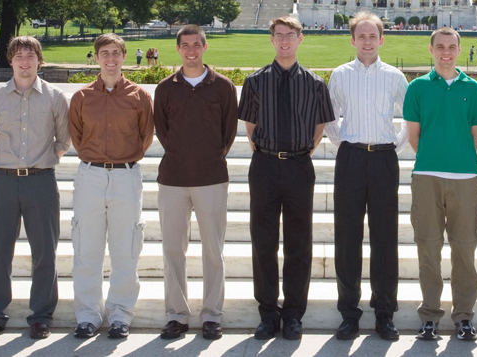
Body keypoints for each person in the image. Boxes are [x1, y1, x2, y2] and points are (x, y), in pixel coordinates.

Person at [239, 16, 334, 341]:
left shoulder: (315, 83)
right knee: (263, 242)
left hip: (297, 167)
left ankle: (293, 314)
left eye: (289, 35)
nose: (284, 41)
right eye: (278, 35)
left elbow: (319, 127)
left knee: (298, 243)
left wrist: (300, 151)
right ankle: (268, 313)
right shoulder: (254, 82)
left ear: (300, 38)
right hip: (264, 166)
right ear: (272, 39)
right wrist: (268, 151)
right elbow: (250, 128)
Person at [0, 36, 70, 340]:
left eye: (31, 56)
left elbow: (63, 138)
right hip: (3, 181)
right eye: (19, 56)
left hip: (41, 181)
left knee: (44, 251)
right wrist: (0, 162)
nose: (25, 62)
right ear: (11, 60)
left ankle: (41, 315)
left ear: (39, 60)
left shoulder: (55, 97)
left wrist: (46, 159)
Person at [325, 12, 407, 341]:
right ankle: (349, 313)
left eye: (373, 36)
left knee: (385, 239)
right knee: (347, 239)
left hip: (384, 160)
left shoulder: (395, 76)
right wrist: (345, 142)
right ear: (353, 40)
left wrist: (394, 146)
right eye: (362, 36)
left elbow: (410, 116)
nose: (367, 41)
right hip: (351, 159)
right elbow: (329, 117)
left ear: (382, 39)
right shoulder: (341, 75)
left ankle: (384, 313)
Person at [155, 24, 238, 341]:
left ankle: (212, 316)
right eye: (185, 45)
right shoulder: (165, 88)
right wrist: (181, 154)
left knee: (213, 251)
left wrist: (209, 156)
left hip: (211, 178)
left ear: (205, 47)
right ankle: (177, 315)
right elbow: (162, 131)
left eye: (196, 44)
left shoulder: (223, 87)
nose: (191, 50)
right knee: (173, 249)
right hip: (173, 179)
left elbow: (228, 132)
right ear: (178, 49)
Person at [68, 33, 154, 340]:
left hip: (125, 176)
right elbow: (77, 138)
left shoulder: (139, 96)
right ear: (96, 57)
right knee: (86, 249)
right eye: (105, 53)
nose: (111, 59)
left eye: (116, 53)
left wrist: (122, 161)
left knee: (125, 250)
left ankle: (120, 315)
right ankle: (88, 316)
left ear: (124, 57)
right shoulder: (81, 97)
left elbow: (145, 138)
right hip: (90, 175)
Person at [404, 27, 477, 342]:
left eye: (452, 47)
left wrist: (455, 158)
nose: (446, 53)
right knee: (428, 246)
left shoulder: (475, 89)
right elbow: (415, 136)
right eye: (440, 47)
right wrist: (435, 157)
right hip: (427, 175)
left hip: (464, 177)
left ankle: (464, 316)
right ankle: (430, 316)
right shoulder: (418, 88)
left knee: (464, 247)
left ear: (459, 49)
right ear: (431, 49)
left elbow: (475, 138)